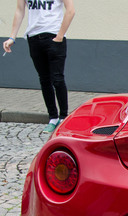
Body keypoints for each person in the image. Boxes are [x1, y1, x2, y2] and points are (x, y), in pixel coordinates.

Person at [3, 0, 76, 133]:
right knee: (44, 80)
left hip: (54, 37)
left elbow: (70, 10)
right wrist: (12, 37)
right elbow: (20, 10)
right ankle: (53, 117)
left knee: (57, 79)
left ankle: (64, 117)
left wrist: (59, 36)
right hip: (34, 39)